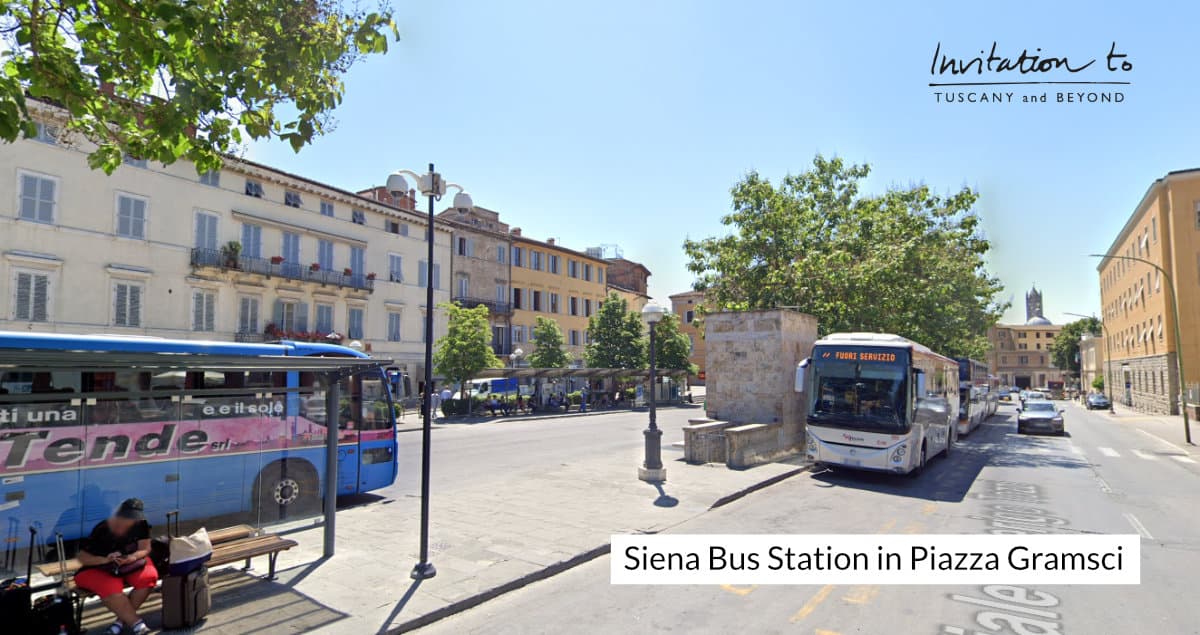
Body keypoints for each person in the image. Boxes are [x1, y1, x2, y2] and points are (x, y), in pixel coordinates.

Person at [74, 498, 157, 635]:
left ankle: (119, 622)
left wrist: (132, 557)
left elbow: (145, 548)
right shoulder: (103, 528)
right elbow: (84, 558)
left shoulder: (141, 524)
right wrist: (106, 559)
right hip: (99, 566)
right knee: (111, 587)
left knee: (148, 577)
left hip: (128, 564)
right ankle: (138, 625)